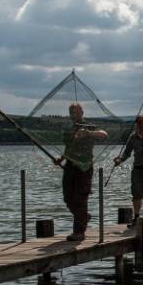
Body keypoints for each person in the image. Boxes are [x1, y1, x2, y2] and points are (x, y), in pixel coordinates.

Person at [54, 102, 107, 241]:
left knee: (80, 198)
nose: (74, 115)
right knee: (67, 197)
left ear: (82, 113)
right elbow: (68, 148)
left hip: (84, 167)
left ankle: (79, 232)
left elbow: (104, 134)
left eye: (76, 112)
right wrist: (60, 158)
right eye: (72, 112)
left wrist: (88, 132)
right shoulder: (70, 129)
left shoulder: (88, 126)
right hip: (70, 165)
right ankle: (83, 217)